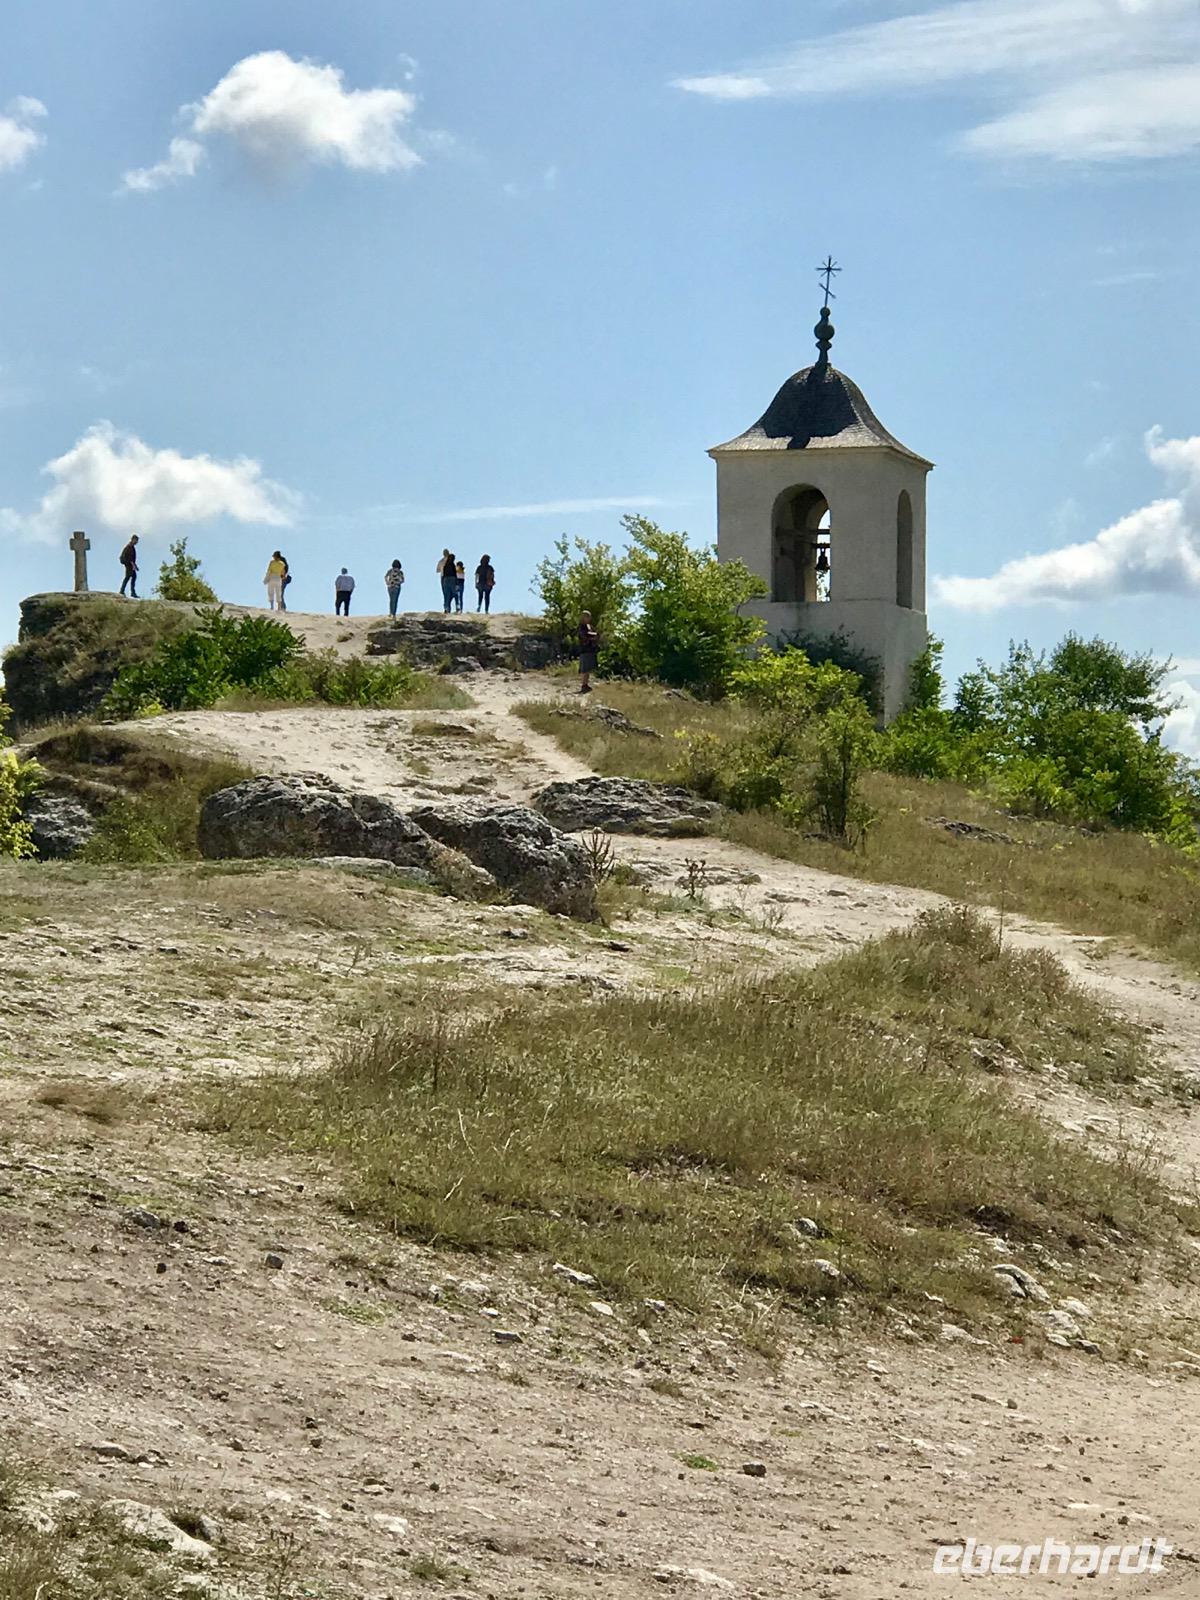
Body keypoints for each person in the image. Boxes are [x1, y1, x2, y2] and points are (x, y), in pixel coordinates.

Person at [577, 610, 599, 694]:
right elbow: (585, 636)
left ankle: (586, 684)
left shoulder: (589, 626)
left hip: (590, 649)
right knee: (585, 668)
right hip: (585, 649)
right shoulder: (582, 627)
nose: (589, 618)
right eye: (587, 616)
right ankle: (584, 685)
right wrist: (594, 636)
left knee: (588, 668)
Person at [437, 549, 458, 614]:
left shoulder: (442, 562)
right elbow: (455, 573)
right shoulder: (452, 563)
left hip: (444, 578)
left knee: (446, 594)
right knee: (454, 593)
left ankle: (447, 608)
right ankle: (457, 606)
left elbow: (438, 570)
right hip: (452, 579)